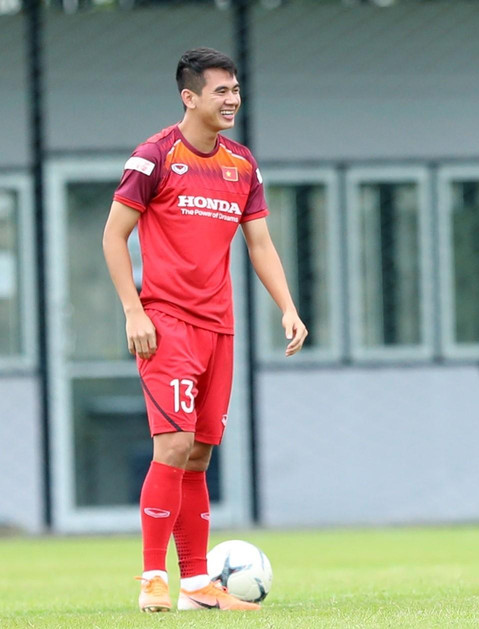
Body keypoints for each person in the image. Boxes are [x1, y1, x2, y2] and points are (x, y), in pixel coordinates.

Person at [102, 47, 308, 613]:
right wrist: (133, 310)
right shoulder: (154, 157)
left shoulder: (242, 164)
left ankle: (196, 585)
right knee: (172, 444)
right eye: (221, 91)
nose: (233, 99)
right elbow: (113, 236)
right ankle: (152, 579)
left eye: (236, 89)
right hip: (166, 321)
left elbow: (259, 242)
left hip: (221, 327)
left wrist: (287, 307)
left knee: (198, 455)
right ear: (188, 97)